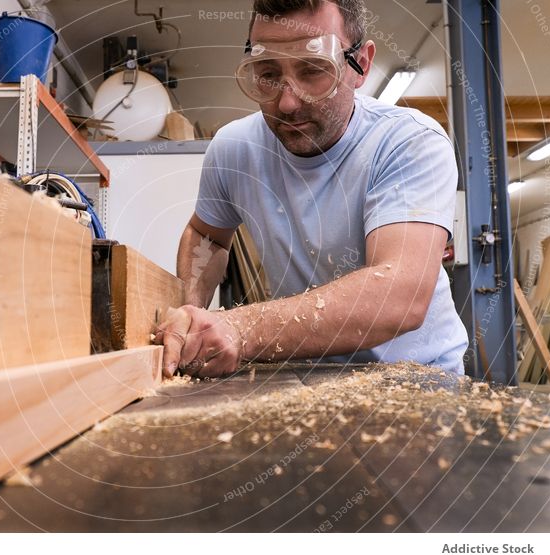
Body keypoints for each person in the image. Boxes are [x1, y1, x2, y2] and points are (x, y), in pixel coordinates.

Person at [154, 0, 468, 378]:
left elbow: (399, 295)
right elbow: (208, 235)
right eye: (268, 74)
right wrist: (193, 316)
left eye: (314, 71)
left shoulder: (408, 142)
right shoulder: (234, 149)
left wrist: (240, 327)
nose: (287, 102)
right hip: (305, 372)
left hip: (418, 378)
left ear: (360, 65)